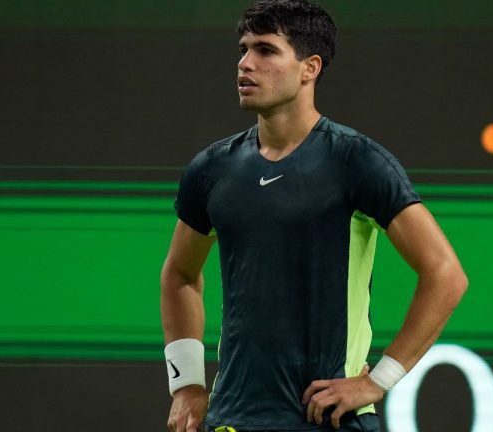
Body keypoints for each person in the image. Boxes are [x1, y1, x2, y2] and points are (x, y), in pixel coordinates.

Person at [160, 1, 468, 431]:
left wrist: (379, 381)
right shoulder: (212, 169)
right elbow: (180, 275)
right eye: (244, 49)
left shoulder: (357, 160)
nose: (245, 63)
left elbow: (446, 273)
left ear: (310, 68)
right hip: (232, 418)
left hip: (329, 419)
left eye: (266, 50)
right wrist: (187, 385)